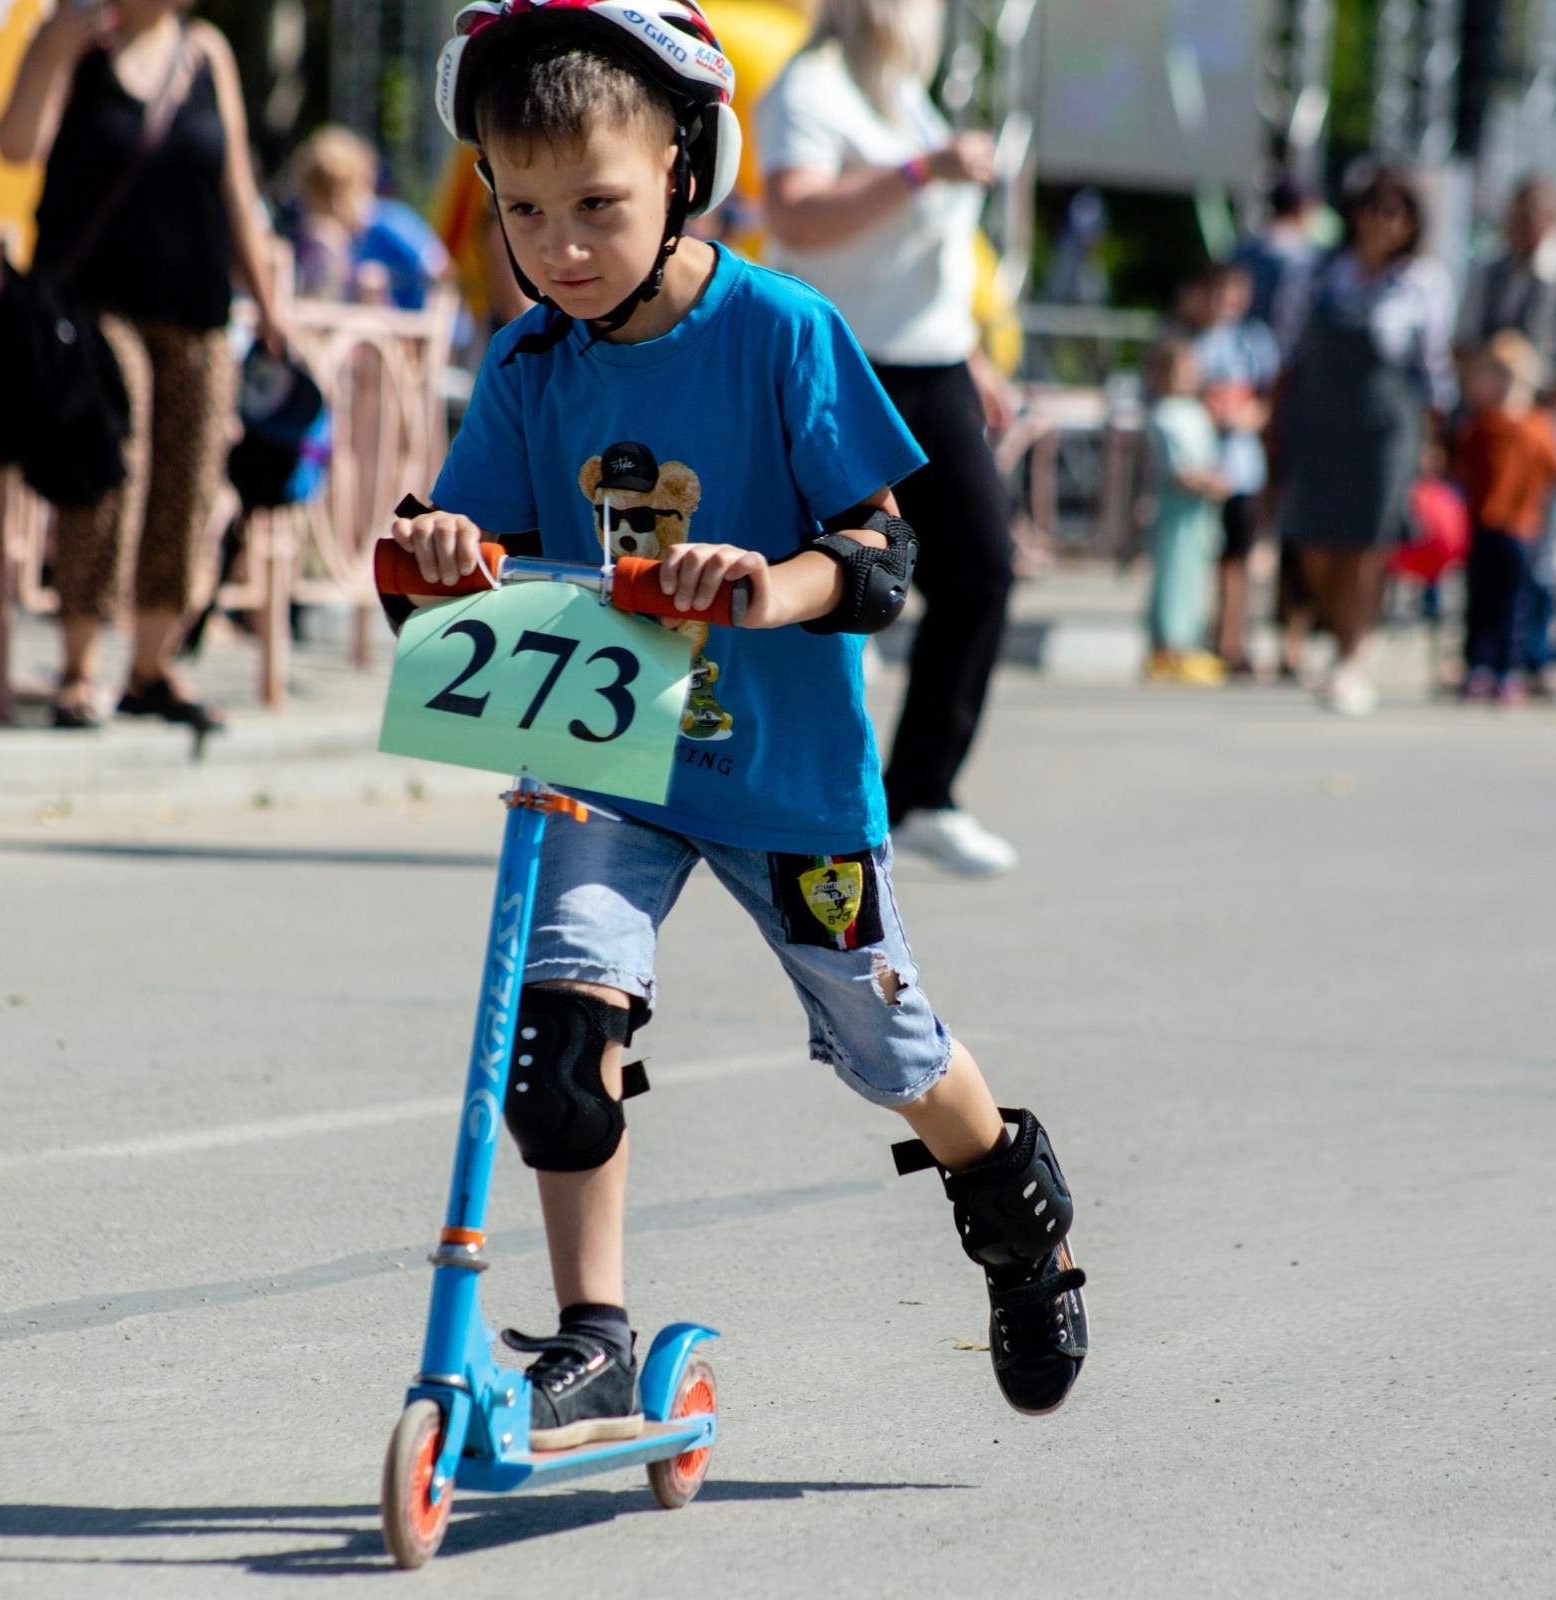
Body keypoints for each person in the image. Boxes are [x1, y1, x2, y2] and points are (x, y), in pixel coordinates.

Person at [393, 0, 1088, 1442]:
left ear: (683, 168)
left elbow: (884, 557)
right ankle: (591, 1334)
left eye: (598, 205)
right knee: (553, 1056)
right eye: (524, 211)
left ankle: (1019, 1220)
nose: (561, 248)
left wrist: (768, 587)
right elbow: (440, 541)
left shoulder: (785, 333)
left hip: (786, 783)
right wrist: (440, 554)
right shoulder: (530, 364)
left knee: (891, 1050)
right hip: (611, 767)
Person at [754, 0, 1020, 877]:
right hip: (843, 359)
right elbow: (794, 217)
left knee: (980, 567)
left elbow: (922, 258)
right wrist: (918, 170)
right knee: (837, 577)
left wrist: (973, 354)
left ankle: (921, 794)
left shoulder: (901, 91)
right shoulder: (812, 87)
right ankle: (791, 792)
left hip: (932, 364)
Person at [0, 0, 290, 732]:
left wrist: (271, 305)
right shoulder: (78, 42)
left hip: (195, 307)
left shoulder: (205, 53)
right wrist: (54, 48)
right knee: (106, 471)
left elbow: (237, 190)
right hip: (95, 306)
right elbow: (13, 144)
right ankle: (78, 668)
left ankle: (153, 668)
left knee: (188, 481)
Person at [1274, 165, 1455, 716]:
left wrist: (1434, 435)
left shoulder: (1422, 282)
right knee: (1317, 541)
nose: (1382, 221)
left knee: (1370, 541)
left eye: (1395, 211)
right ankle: (1339, 632)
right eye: (1374, 207)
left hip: (1387, 425)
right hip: (1325, 419)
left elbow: (1433, 370)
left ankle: (1354, 655)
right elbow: (1290, 349)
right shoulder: (1322, 273)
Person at [1455, 177, 1556, 698]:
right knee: (1488, 545)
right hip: (1493, 416)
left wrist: (1543, 413)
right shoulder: (1489, 270)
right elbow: (1464, 341)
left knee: (1543, 545)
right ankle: (1483, 656)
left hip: (1549, 416)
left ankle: (1534, 655)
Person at [1453, 332, 1556, 704]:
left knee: (1516, 603)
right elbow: (1461, 470)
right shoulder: (1480, 426)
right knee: (1479, 599)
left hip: (1522, 528)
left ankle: (1510, 668)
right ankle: (1478, 665)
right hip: (1482, 525)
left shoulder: (1538, 427)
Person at [1177, 261, 1277, 677]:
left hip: (1240, 465)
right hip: (1202, 462)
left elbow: (1269, 398)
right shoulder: (1192, 343)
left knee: (1237, 557)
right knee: (1197, 554)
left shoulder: (1253, 343)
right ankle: (1191, 636)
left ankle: (1231, 639)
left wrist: (1251, 415)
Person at [280, 124, 453, 310]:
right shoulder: (347, 241)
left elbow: (445, 277)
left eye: (315, 205)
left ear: (334, 197)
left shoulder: (391, 224)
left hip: (421, 331)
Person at [1140, 334, 1230, 684]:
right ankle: (1167, 648)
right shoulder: (1163, 415)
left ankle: (1188, 646)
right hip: (1175, 512)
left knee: (1196, 579)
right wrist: (1207, 482)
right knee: (1173, 577)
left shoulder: (1196, 412)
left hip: (1200, 514)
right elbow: (1177, 469)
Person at [1233, 173, 1321, 349]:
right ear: (1305, 207)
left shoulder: (1243, 249)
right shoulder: (1305, 258)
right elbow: (1289, 316)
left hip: (1237, 351)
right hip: (1279, 355)